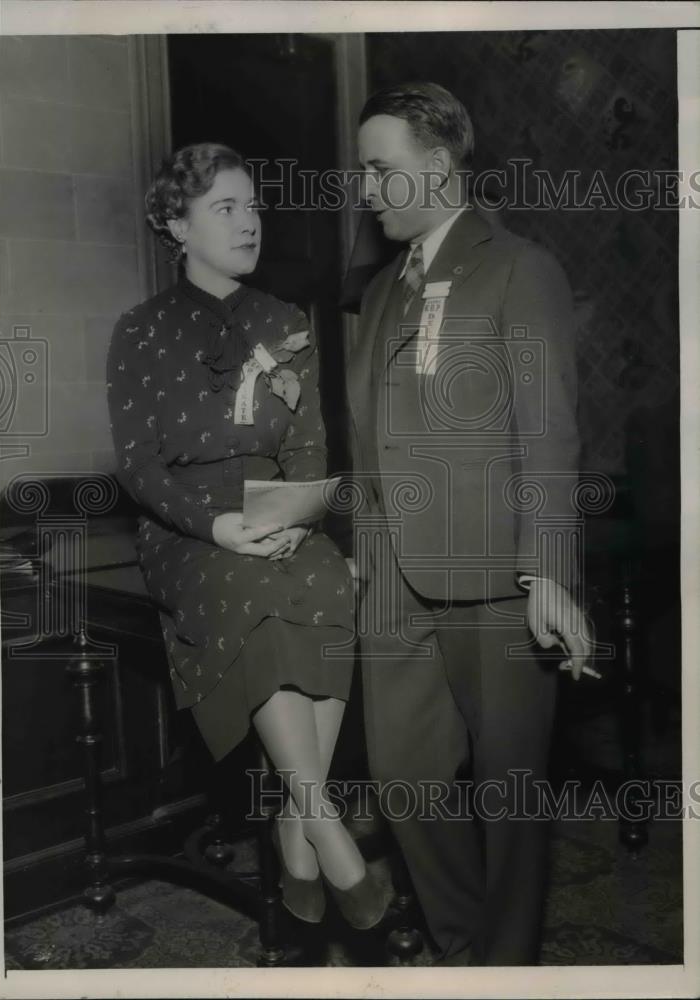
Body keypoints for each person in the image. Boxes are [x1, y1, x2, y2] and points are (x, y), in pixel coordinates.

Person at [106, 142, 389, 929]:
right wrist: (218, 526)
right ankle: (326, 829)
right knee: (258, 591)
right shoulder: (139, 331)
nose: (248, 222)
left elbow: (306, 444)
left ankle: (296, 834)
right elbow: (137, 467)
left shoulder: (285, 321)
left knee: (333, 579)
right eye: (224, 208)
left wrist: (294, 513)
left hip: (274, 513)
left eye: (253, 205)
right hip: (187, 531)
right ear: (175, 224)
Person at [348, 82, 592, 965]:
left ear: (440, 166)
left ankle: (506, 971)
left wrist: (551, 573)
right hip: (393, 591)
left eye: (381, 169)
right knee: (405, 786)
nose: (366, 189)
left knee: (511, 802)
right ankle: (462, 954)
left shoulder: (518, 269)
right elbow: (375, 442)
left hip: (498, 583)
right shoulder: (378, 292)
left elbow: (548, 430)